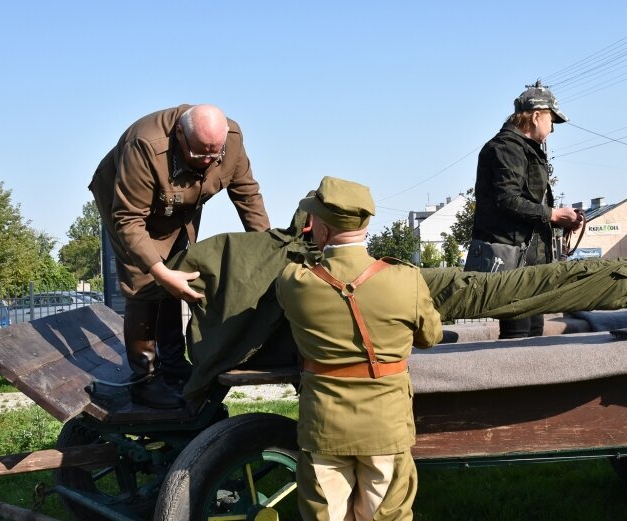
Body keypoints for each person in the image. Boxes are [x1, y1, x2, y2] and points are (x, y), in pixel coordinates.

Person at [275, 176, 443, 520]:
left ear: (320, 229)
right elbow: (431, 336)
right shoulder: (406, 279)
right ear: (366, 223)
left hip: (324, 427)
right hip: (386, 425)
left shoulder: (293, 282)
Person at [89, 104, 270, 409]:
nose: (209, 161)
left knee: (178, 273)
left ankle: (172, 365)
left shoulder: (231, 139)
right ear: (180, 134)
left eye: (215, 154)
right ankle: (144, 380)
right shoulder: (146, 145)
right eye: (200, 154)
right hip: (128, 206)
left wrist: (269, 249)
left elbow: (247, 196)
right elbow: (129, 220)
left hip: (177, 207)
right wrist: (159, 271)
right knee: (145, 283)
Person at [465, 80, 582, 339]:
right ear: (536, 115)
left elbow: (525, 203)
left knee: (533, 333)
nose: (552, 128)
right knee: (518, 337)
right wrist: (551, 214)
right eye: (552, 120)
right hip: (511, 259)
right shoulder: (507, 148)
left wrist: (558, 220)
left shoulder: (524, 150)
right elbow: (506, 199)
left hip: (527, 260)